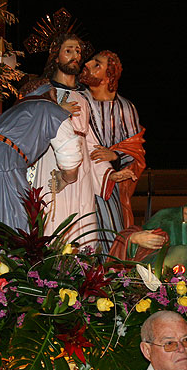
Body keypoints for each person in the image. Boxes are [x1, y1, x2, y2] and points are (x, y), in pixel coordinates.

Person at [28, 35, 135, 249]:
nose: (76, 56)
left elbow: (90, 141)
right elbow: (26, 127)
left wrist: (109, 173)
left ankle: (79, 277)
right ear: (56, 57)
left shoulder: (84, 99)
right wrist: (55, 112)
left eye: (78, 51)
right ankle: (44, 280)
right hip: (52, 167)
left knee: (82, 227)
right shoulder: (40, 93)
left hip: (82, 174)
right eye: (69, 51)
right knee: (52, 222)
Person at [0, 82, 83, 231]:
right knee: (22, 230)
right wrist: (67, 178)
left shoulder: (14, 112)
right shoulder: (49, 109)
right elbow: (70, 152)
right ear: (49, 94)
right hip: (1, 166)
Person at [79, 50, 146, 255]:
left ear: (109, 76)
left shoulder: (125, 108)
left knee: (110, 236)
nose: (88, 64)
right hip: (79, 181)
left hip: (110, 188)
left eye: (97, 64)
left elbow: (136, 149)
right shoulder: (78, 101)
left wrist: (115, 156)